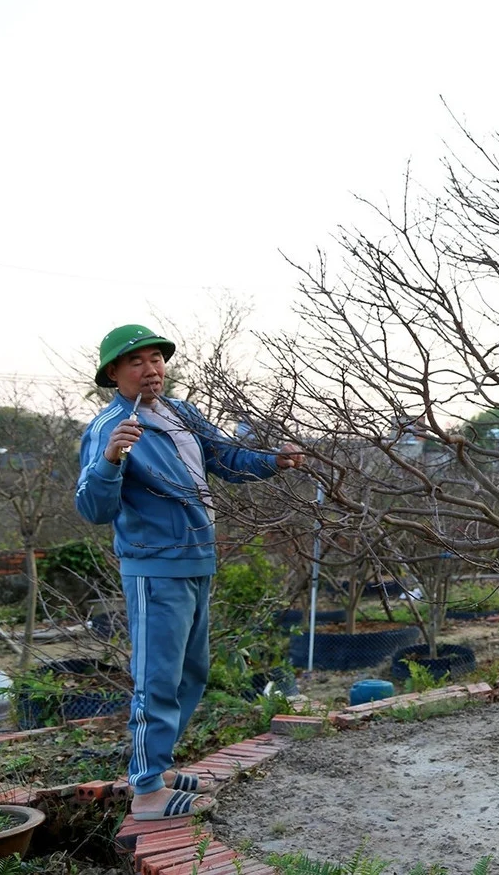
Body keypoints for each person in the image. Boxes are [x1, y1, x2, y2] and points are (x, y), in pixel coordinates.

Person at [75, 324, 303, 821]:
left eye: (156, 358)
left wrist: (273, 461)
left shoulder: (183, 414)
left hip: (198, 558)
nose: (151, 368)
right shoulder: (108, 428)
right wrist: (112, 458)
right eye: (136, 362)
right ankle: (147, 792)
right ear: (113, 374)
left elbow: (225, 458)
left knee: (190, 672)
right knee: (157, 678)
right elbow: (92, 507)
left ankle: (156, 764)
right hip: (154, 568)